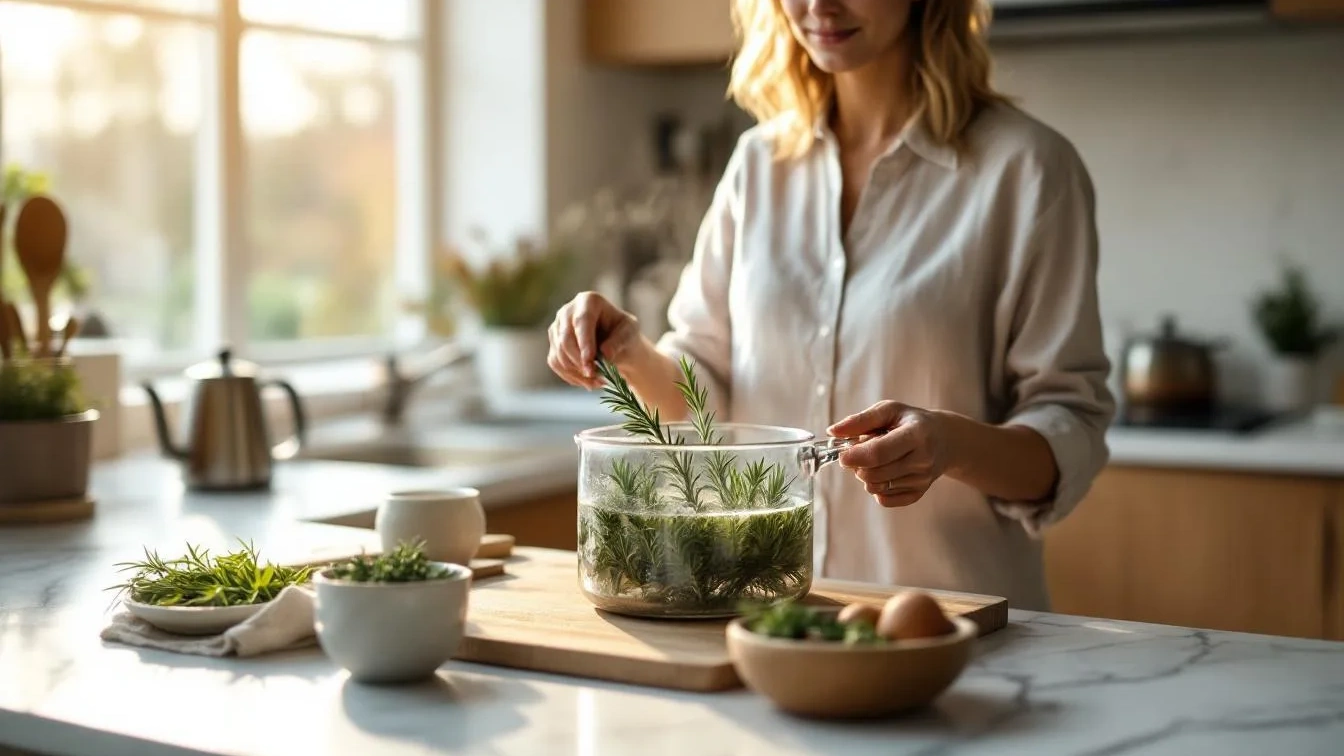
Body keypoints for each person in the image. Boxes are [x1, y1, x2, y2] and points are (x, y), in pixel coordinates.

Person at [546, 0, 1114, 611]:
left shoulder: (1027, 171)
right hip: (772, 620)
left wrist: (951, 444)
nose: (817, 5)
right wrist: (628, 351)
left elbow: (1068, 429)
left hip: (958, 628)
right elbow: (705, 398)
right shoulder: (758, 166)